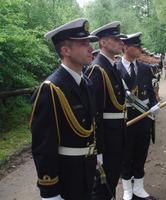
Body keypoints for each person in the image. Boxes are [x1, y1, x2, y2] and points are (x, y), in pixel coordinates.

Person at [30, 18, 99, 200]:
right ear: (65, 50)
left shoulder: (87, 83)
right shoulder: (50, 89)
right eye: (83, 44)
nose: (91, 49)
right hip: (66, 178)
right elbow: (43, 146)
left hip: (86, 171)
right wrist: (50, 191)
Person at [85, 21, 127, 200]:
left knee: (110, 183)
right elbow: (95, 114)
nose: (121, 42)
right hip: (107, 142)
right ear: (103, 43)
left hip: (116, 137)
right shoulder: (97, 69)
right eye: (116, 39)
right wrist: (98, 149)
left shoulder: (111, 66)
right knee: (101, 189)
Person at [116, 32, 161, 200]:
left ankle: (139, 188)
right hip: (125, 121)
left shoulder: (144, 68)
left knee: (141, 153)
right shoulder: (115, 70)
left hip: (143, 119)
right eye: (137, 46)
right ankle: (127, 189)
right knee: (126, 155)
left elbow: (150, 92)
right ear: (126, 48)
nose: (141, 49)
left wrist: (154, 104)